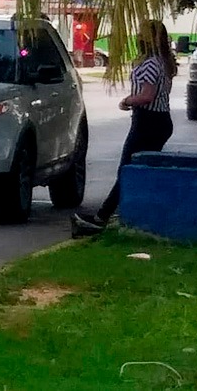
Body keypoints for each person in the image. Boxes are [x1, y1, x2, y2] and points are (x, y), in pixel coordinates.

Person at [72, 20, 177, 236]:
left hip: (148, 121)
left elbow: (147, 96)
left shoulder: (150, 65)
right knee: (141, 169)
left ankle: (102, 216)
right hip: (160, 120)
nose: (137, 37)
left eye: (141, 34)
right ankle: (134, 212)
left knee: (127, 169)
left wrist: (128, 100)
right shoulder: (163, 62)